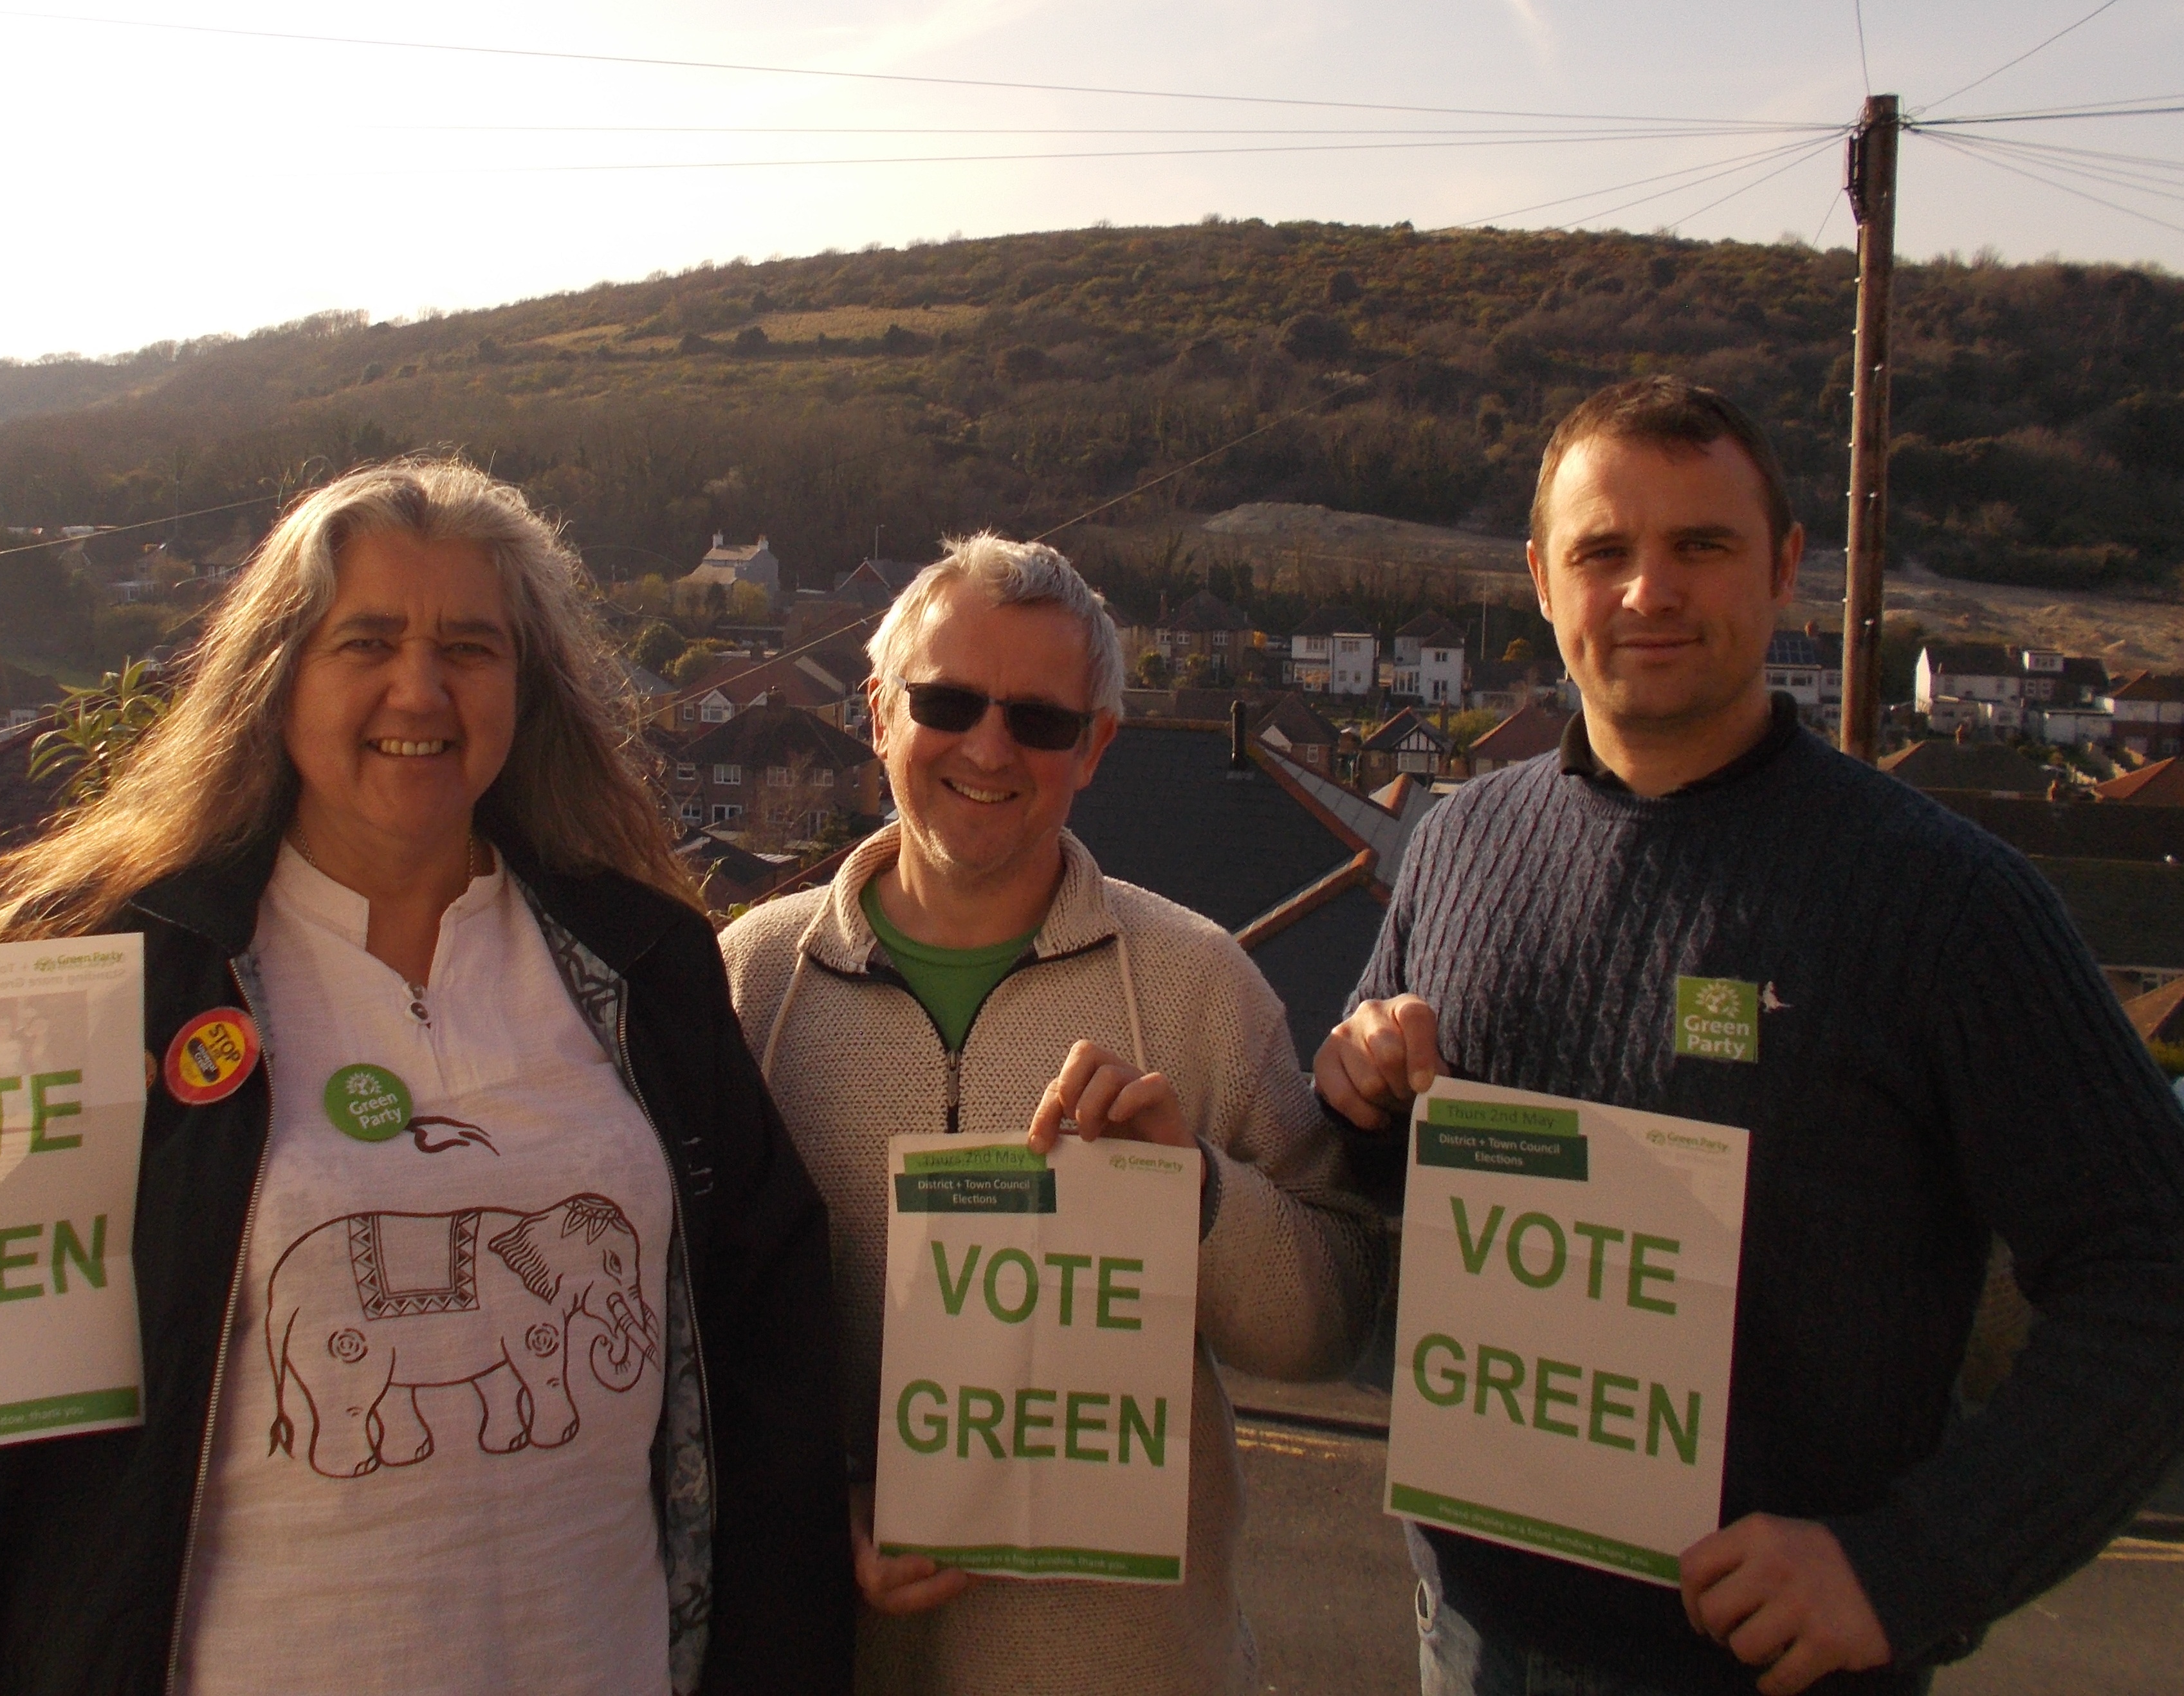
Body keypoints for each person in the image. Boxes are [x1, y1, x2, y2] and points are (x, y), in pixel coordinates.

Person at [0, 459, 851, 1696]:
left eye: (471, 647)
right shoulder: (117, 978)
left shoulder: (643, 965)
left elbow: (768, 1349)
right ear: (277, 678)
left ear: (524, 688)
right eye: (366, 639)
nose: (419, 687)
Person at [1315, 376, 2184, 1696]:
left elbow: (2149, 1272)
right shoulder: (1459, 843)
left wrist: (1912, 1567)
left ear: (1782, 570)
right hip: (1471, 1636)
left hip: (1763, 1671)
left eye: (1698, 546)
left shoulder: (1939, 898)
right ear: (1542, 581)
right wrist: (1362, 1093)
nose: (1646, 592)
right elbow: (1404, 1172)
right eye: (1601, 551)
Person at [720, 534, 1382, 1695]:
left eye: (1038, 719)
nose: (988, 747)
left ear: (1097, 747)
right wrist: (807, 1505)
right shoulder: (749, 988)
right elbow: (674, 1343)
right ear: (878, 712)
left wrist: (1199, 1199)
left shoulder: (1198, 984)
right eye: (947, 701)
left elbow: (1322, 1328)